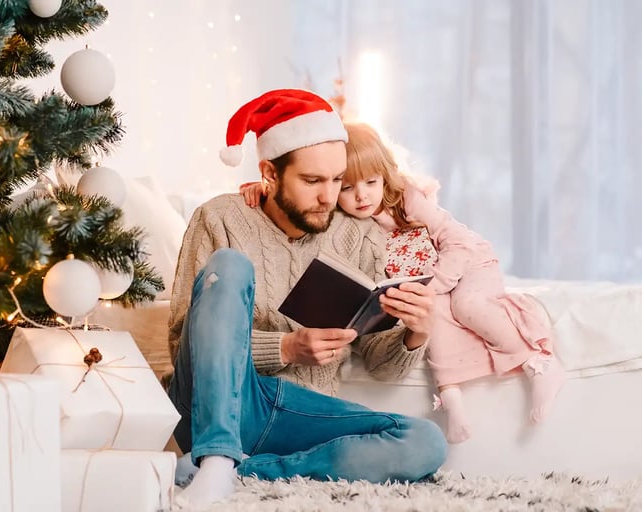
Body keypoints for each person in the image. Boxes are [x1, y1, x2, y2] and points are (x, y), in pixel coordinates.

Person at [167, 89, 447, 510]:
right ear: (270, 174)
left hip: (299, 412)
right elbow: (182, 342)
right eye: (313, 181)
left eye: (337, 180)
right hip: (217, 404)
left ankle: (242, 471)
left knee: (424, 441)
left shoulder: (359, 234)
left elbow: (379, 362)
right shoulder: (221, 218)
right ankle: (217, 452)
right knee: (231, 264)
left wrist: (416, 333)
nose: (329, 197)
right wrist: (285, 348)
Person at [242, 121, 566, 445]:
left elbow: (458, 243)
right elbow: (296, 202)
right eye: (347, 188)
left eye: (371, 182)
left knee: (467, 305)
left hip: (468, 264)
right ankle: (452, 402)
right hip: (429, 284)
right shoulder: (347, 222)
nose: (361, 196)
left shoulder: (407, 200)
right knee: (430, 323)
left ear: (385, 175)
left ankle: (537, 362)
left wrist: (434, 286)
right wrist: (262, 189)